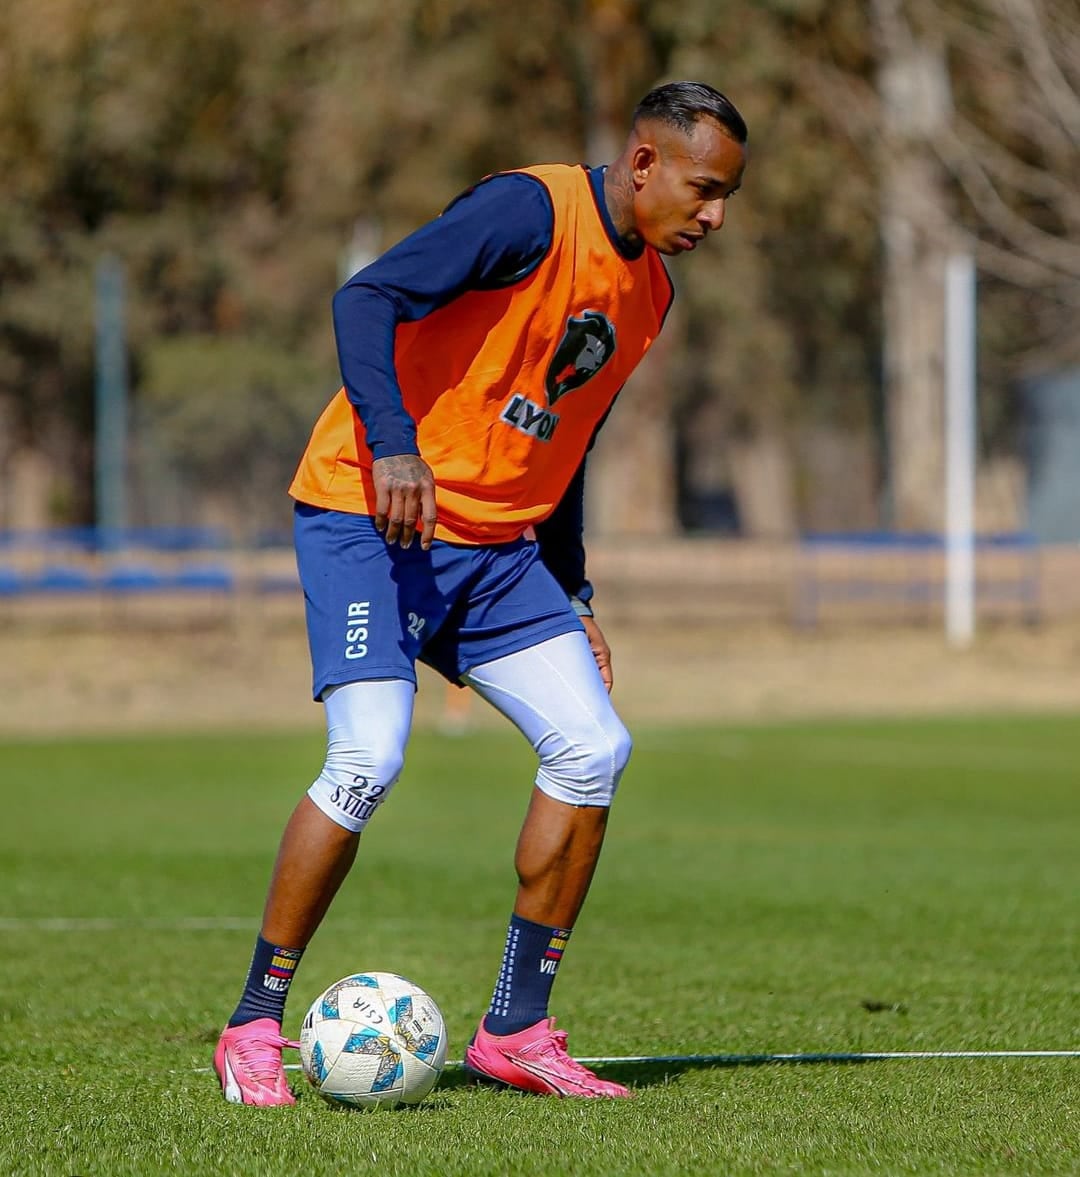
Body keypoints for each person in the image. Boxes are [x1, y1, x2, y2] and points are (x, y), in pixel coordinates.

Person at [214, 80, 748, 1105]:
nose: (714, 216)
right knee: (369, 755)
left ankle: (517, 1028)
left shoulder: (652, 295)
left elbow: (566, 437)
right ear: (642, 164)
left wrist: (576, 591)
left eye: (727, 198)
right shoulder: (530, 212)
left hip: (498, 552)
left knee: (595, 746)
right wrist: (399, 448)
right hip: (372, 518)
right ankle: (250, 1024)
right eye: (703, 189)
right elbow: (363, 296)